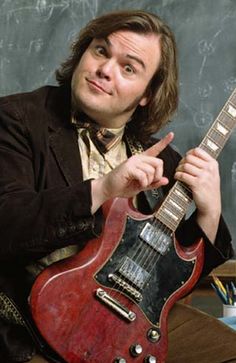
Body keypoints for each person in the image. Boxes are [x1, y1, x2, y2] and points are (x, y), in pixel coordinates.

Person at [0, 9, 235, 363]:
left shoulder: (160, 159)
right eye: (100, 51)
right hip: (31, 325)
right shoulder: (16, 119)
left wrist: (210, 211)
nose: (105, 70)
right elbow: (7, 225)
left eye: (129, 68)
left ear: (147, 94)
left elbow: (171, 280)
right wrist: (103, 188)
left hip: (128, 326)